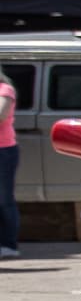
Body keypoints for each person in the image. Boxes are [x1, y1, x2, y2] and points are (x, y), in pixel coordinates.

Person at [0, 66, 18, 260]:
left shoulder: (5, 90)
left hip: (3, 150)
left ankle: (8, 244)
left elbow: (1, 115)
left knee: (4, 199)